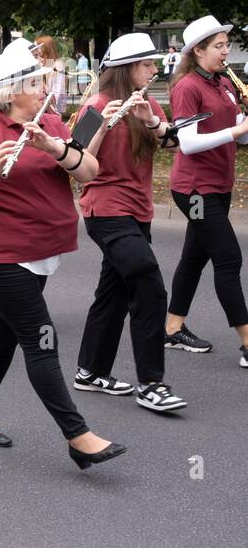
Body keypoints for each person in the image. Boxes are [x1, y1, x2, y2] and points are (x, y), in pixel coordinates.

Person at [0, 45, 127, 470]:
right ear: (12, 92)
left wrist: (55, 149)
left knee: (3, 338)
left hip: (41, 251)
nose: (46, 87)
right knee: (42, 339)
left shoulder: (49, 122)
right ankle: (78, 436)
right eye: (36, 82)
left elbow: (89, 171)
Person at [73, 32, 186, 411]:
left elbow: (173, 143)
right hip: (105, 208)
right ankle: (152, 383)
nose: (154, 71)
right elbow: (74, 162)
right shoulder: (95, 104)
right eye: (147, 65)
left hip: (139, 210)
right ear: (126, 69)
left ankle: (90, 371)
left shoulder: (149, 102)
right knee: (149, 285)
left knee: (114, 292)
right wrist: (103, 123)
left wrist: (151, 120)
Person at [163, 15, 248, 366]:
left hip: (219, 182)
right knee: (229, 258)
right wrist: (233, 132)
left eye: (226, 45)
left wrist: (241, 126)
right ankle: (247, 343)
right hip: (195, 189)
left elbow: (233, 130)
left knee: (194, 258)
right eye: (218, 46)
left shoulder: (223, 82)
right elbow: (187, 142)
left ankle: (172, 328)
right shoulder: (187, 87)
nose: (225, 51)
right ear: (197, 50)